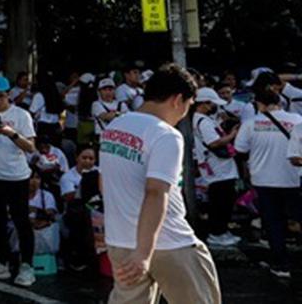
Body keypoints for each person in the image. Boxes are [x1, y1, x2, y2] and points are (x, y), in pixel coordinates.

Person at [99, 64, 220, 303]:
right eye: (188, 105)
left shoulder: (114, 127)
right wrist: (144, 253)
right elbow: (155, 192)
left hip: (120, 241)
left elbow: (104, 183)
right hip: (170, 242)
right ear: (177, 100)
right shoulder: (166, 135)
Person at [233, 77, 302, 278]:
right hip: (293, 178)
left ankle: (281, 264)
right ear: (280, 102)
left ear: (259, 104)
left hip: (264, 180)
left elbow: (240, 149)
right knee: (298, 217)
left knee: (273, 222)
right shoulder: (297, 120)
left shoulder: (250, 123)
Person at [0, 74, 38, 287]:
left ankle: (27, 265)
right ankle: (0, 263)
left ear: (8, 94)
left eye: (0, 96)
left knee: (21, 221)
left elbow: (30, 147)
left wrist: (11, 134)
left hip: (17, 176)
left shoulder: (22, 115)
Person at [191, 88, 240, 247]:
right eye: (212, 104)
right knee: (221, 202)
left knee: (223, 200)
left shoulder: (202, 119)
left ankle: (221, 231)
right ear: (204, 104)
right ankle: (217, 233)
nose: (215, 107)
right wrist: (232, 135)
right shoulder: (203, 121)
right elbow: (214, 142)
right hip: (218, 169)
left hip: (219, 168)